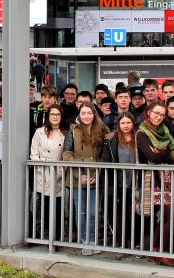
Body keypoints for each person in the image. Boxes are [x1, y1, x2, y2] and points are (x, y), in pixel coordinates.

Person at [136, 101, 174, 267]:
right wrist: (166, 152)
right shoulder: (142, 132)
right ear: (148, 112)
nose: (158, 117)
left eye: (162, 114)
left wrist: (162, 153)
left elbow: (163, 154)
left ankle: (155, 251)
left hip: (167, 178)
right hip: (153, 180)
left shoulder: (164, 131)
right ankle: (160, 251)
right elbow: (152, 156)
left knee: (164, 217)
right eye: (156, 113)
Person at [63, 101, 108, 256]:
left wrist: (97, 174)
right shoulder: (73, 130)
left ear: (94, 114)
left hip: (96, 175)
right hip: (77, 177)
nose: (86, 116)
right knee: (81, 211)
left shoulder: (102, 130)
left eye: (89, 113)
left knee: (94, 211)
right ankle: (85, 241)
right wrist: (79, 174)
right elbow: (66, 153)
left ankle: (94, 240)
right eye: (83, 113)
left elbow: (105, 155)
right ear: (79, 115)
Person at [101, 112, 139, 248]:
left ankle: (133, 242)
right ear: (118, 125)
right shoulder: (111, 140)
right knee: (117, 215)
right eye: (123, 123)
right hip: (117, 183)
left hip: (134, 184)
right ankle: (120, 242)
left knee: (132, 215)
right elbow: (105, 161)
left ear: (133, 123)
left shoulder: (139, 138)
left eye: (128, 122)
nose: (126, 125)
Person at [30, 104, 66, 240]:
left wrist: (61, 170)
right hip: (42, 174)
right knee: (42, 207)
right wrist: (40, 165)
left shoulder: (65, 133)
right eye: (52, 114)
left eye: (58, 114)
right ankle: (43, 236)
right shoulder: (40, 131)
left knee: (56, 209)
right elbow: (33, 152)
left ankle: (55, 237)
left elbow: (66, 154)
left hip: (58, 175)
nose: (55, 117)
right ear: (48, 116)